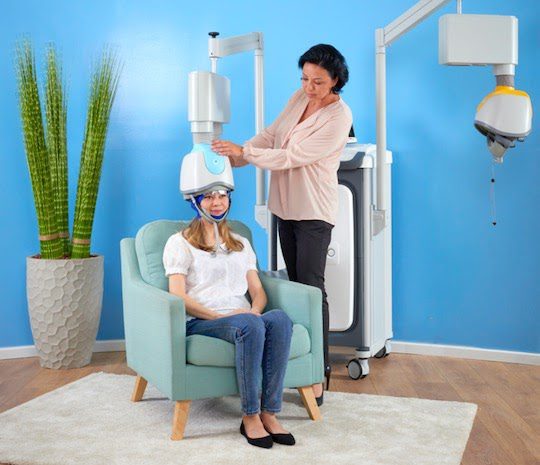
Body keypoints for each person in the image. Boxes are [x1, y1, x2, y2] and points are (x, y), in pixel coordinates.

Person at [211, 44, 353, 405]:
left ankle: (319, 373)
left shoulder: (339, 117)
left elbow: (293, 156)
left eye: (318, 82)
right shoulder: (298, 98)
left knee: (311, 289)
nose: (309, 87)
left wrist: (247, 154)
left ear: (336, 80)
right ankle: (293, 364)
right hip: (285, 208)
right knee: (292, 285)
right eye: (304, 78)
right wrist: (238, 154)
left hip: (313, 211)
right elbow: (273, 135)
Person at [163, 187, 296, 449]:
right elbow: (178, 296)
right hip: (203, 321)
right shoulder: (179, 243)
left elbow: (258, 291)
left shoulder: (240, 243)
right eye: (209, 197)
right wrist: (220, 316)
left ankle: (269, 413)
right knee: (249, 324)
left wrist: (253, 313)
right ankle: (249, 416)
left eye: (222, 196)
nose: (216, 202)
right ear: (196, 202)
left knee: (280, 319)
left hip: (244, 319)